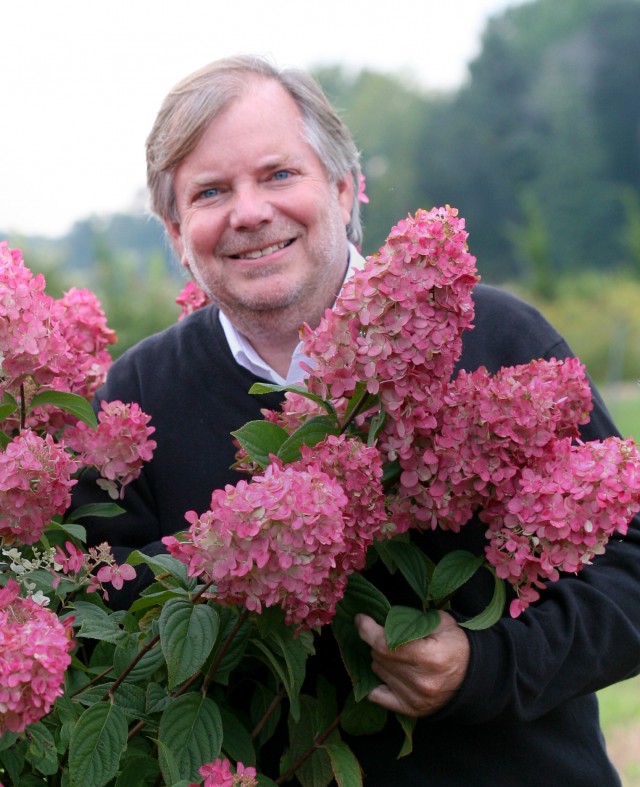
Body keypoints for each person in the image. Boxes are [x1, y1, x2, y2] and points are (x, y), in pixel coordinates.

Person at [75, 54, 640, 785]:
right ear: (176, 230)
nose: (250, 211)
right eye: (211, 191)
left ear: (344, 189)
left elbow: (633, 567)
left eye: (279, 174)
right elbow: (99, 614)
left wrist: (486, 666)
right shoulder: (138, 394)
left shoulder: (500, 341)